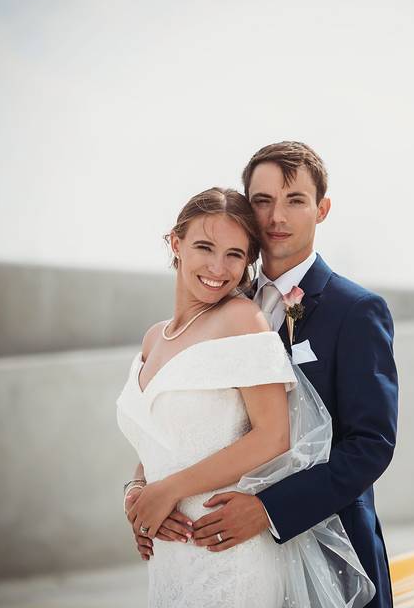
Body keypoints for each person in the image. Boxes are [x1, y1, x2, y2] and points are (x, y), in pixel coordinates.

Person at [133, 142, 399, 608]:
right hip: (219, 550)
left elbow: (371, 444)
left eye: (295, 200)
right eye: (262, 200)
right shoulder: (218, 298)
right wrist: (138, 491)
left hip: (330, 550)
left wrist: (270, 511)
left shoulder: (356, 311)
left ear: (322, 209)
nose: (277, 215)